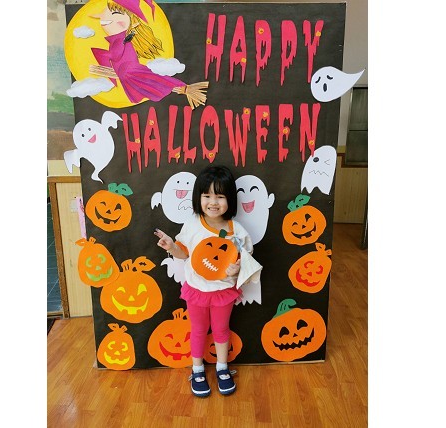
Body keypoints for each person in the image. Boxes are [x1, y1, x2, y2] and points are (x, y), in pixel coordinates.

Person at [154, 165, 254, 397]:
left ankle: (222, 368)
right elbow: (184, 253)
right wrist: (171, 246)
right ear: (198, 198)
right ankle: (197, 369)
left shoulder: (237, 232)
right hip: (197, 290)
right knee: (198, 330)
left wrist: (237, 269)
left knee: (221, 330)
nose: (213, 202)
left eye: (220, 196)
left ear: (230, 199)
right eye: (207, 195)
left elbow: (246, 262)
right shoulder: (192, 224)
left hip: (223, 292)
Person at [89, 0, 209, 109]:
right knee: (154, 81)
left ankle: (182, 87)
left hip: (129, 71)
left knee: (155, 80)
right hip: (125, 73)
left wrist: (109, 52)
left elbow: (116, 55)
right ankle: (182, 88)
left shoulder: (120, 39)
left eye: (114, 13)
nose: (103, 19)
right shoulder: (119, 39)